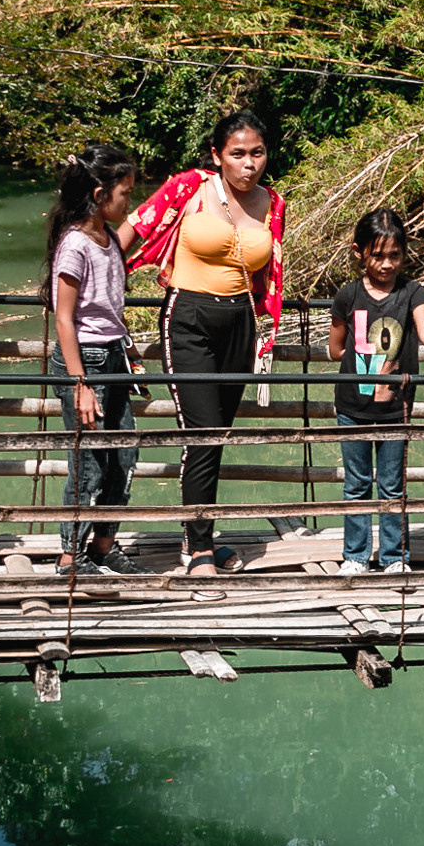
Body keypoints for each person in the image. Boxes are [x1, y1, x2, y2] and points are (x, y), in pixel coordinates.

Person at [121, 111, 288, 578]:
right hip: (188, 318)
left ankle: (198, 536)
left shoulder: (271, 202)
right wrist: (93, 283)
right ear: (218, 156)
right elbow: (130, 231)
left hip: (239, 323)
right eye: (237, 154)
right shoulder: (188, 187)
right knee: (203, 435)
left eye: (257, 153)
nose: (248, 164)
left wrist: (266, 332)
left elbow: (266, 275)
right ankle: (197, 550)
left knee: (218, 437)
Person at [329, 209, 424, 577]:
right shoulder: (347, 295)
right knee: (356, 484)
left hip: (395, 408)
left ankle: (395, 557)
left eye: (394, 255)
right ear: (359, 252)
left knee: (392, 485)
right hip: (352, 405)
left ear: (404, 254)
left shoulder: (411, 291)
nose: (386, 264)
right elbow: (336, 347)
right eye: (377, 255)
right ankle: (354, 556)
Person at [45, 145, 143, 579]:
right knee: (88, 461)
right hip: (85, 360)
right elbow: (65, 318)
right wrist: (80, 382)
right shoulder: (75, 244)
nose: (129, 202)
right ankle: (71, 556)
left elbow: (108, 307)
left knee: (123, 453)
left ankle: (104, 544)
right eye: (125, 193)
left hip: (114, 355)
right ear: (100, 193)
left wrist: (129, 346)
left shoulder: (108, 240)